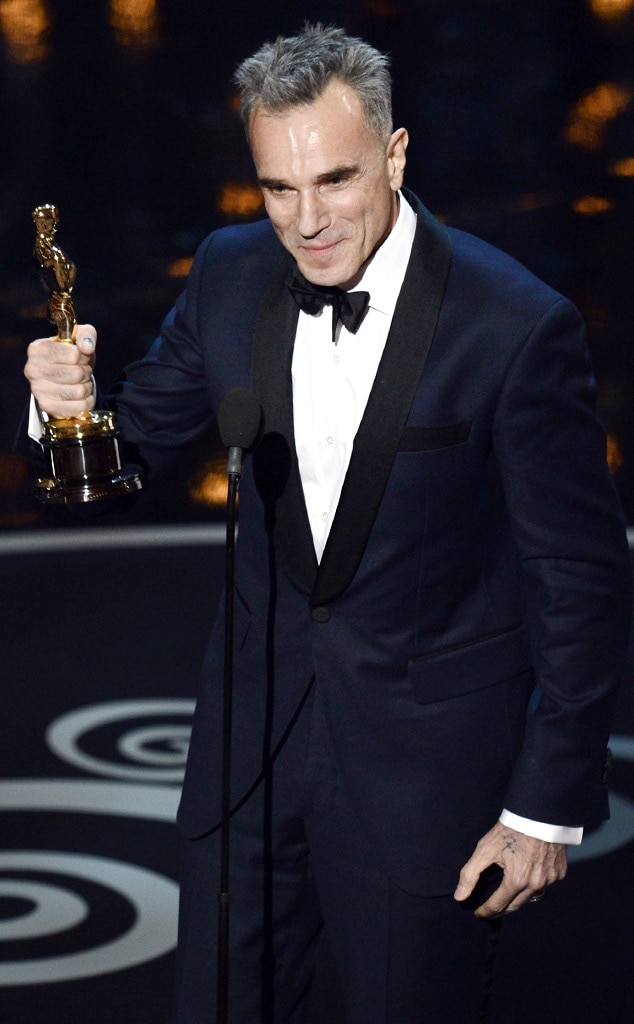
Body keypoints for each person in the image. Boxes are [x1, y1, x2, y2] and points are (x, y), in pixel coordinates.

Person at [24, 23, 631, 1024]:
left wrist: (544, 807)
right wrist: (65, 412)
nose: (306, 222)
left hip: (424, 784)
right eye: (278, 189)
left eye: (335, 181)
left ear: (395, 155)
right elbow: (125, 458)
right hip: (246, 765)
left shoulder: (514, 324)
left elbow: (579, 577)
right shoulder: (228, 273)